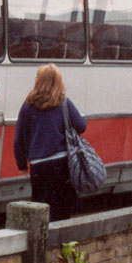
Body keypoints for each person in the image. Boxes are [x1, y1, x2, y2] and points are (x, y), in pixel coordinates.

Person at [13, 64, 87, 221]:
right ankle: (63, 244)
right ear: (58, 82)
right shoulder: (63, 103)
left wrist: (21, 164)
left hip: (38, 165)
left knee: (41, 210)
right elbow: (81, 126)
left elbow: (19, 138)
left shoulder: (27, 106)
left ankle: (43, 242)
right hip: (61, 163)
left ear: (38, 81)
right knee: (61, 210)